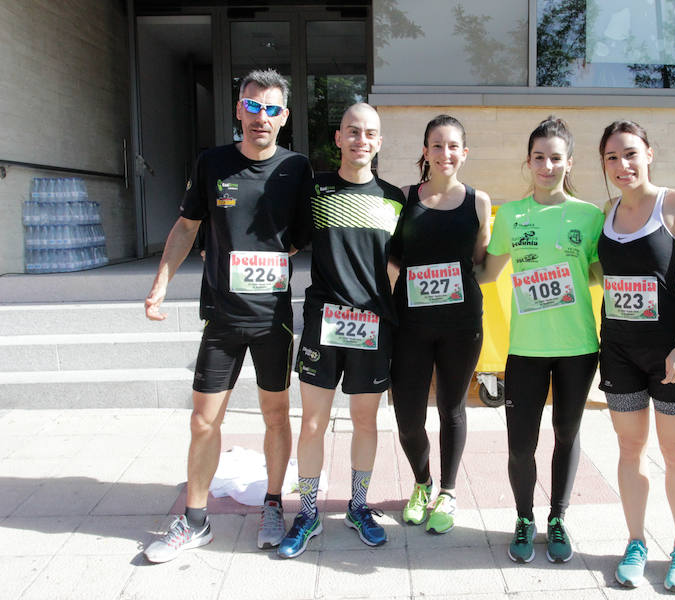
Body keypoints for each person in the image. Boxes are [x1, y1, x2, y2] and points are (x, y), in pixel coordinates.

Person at [143, 69, 314, 563]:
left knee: (276, 416)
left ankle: (273, 505)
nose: (262, 116)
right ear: (239, 109)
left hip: (273, 320)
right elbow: (186, 227)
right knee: (203, 421)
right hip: (221, 317)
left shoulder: (296, 168)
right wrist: (160, 284)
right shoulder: (212, 163)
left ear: (284, 116)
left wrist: (262, 260)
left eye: (272, 108)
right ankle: (195, 521)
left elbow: (302, 236)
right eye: (253, 106)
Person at [277, 103, 405, 558]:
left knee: (365, 421)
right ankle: (308, 512)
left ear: (379, 142)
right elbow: (285, 239)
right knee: (312, 422)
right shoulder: (316, 191)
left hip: (373, 325)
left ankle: (357, 506)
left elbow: (399, 264)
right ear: (338, 138)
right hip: (323, 322)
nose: (360, 140)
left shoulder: (394, 198)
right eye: (352, 131)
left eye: (369, 133)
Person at [477, 116, 605, 564]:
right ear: (528, 162)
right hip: (526, 350)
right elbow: (487, 272)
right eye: (539, 158)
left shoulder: (590, 216)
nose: (547, 166)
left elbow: (600, 273)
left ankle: (558, 518)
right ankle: (524, 518)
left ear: (569, 162)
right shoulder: (512, 215)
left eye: (555, 158)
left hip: (578, 348)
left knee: (566, 434)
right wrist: (435, 268)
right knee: (520, 444)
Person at [596, 120, 675, 593]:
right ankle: (636, 542)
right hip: (619, 350)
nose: (622, 165)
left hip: (670, 352)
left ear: (649, 154)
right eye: (612, 157)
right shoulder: (608, 211)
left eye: (630, 154)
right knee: (629, 448)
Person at [389, 115, 491, 534]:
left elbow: (480, 260)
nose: (445, 153)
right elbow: (392, 256)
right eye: (437, 145)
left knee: (452, 409)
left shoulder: (478, 202)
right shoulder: (404, 198)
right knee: (408, 417)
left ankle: (448, 491)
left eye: (453, 146)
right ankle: (422, 482)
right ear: (425, 151)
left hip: (461, 325)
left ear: (464, 153)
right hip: (410, 324)